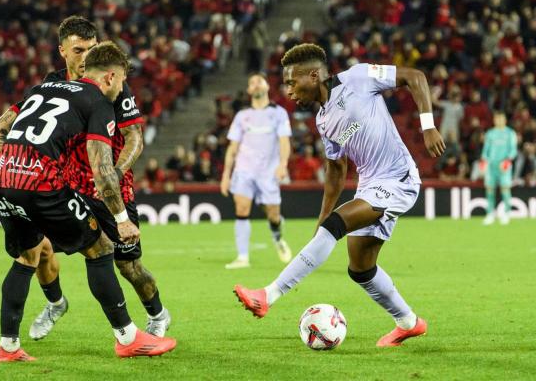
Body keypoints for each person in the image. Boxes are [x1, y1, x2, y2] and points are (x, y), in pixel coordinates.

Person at [233, 43, 445, 347]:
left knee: (337, 227)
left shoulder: (357, 78)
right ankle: (409, 322)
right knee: (361, 268)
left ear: (315, 75)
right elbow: (335, 169)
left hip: (398, 178)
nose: (289, 91)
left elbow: (415, 76)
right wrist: (323, 215)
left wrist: (428, 126)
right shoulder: (322, 119)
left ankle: (268, 294)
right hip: (370, 185)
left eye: (293, 82)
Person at [0, 41, 176, 361]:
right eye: (120, 83)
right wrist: (121, 220)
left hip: (1, 179)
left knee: (28, 256)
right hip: (41, 184)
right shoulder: (98, 101)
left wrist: (15, 167)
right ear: (109, 77)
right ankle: (128, 338)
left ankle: (7, 347)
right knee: (101, 247)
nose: (120, 91)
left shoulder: (42, 88)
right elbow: (102, 169)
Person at [220, 73, 293, 269]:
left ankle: (277, 237)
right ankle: (242, 257)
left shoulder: (279, 113)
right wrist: (226, 176)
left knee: (273, 215)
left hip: (268, 173)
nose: (256, 84)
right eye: (252, 82)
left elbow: (284, 141)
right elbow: (232, 148)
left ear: (267, 86)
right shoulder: (242, 116)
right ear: (249, 90)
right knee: (242, 209)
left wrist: (283, 164)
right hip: (244, 171)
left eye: (259, 81)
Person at [480, 111, 518, 225]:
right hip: (491, 166)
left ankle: (507, 214)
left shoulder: (510, 133)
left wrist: (507, 161)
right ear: (494, 120)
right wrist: (484, 161)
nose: (499, 121)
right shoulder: (490, 133)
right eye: (497, 119)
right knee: (489, 190)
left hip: (504, 166)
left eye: (501, 118)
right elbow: (485, 150)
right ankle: (490, 214)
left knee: (505, 189)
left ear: (505, 120)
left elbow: (513, 150)